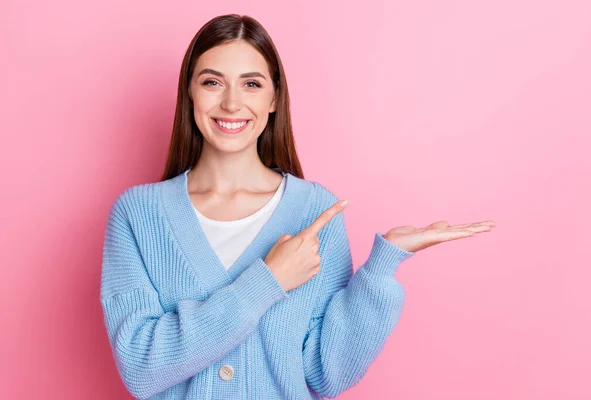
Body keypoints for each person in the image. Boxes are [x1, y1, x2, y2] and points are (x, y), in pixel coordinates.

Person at [100, 14, 496, 400]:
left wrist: (382, 267)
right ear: (190, 93)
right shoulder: (138, 216)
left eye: (251, 84)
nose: (232, 102)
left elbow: (325, 373)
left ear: (274, 98)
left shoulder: (315, 213)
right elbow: (141, 366)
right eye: (212, 82)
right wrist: (267, 282)